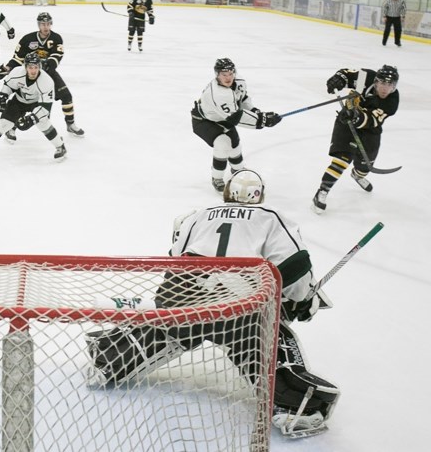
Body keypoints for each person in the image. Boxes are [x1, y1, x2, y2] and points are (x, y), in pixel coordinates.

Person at [87, 169, 339, 437]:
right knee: (267, 331)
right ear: (259, 194)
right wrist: (302, 300)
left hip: (183, 295)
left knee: (171, 325)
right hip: (236, 309)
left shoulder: (197, 215)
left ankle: (109, 357)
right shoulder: (270, 216)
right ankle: (294, 404)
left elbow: (175, 257)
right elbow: (295, 269)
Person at [312, 65, 400, 214]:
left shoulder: (391, 101)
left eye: (390, 85)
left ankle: (357, 175)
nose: (386, 88)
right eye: (383, 83)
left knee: (365, 166)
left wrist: (356, 116)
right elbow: (345, 73)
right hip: (346, 123)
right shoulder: (365, 76)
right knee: (342, 159)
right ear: (376, 81)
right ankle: (322, 192)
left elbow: (372, 120)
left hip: (370, 130)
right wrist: (338, 80)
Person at [191, 58, 281, 192]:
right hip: (204, 121)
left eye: (230, 74)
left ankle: (237, 170)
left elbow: (242, 98)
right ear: (217, 75)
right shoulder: (218, 94)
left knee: (235, 146)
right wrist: (263, 120)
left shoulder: (239, 82)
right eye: (224, 74)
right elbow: (236, 118)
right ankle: (217, 177)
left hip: (223, 119)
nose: (228, 78)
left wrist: (255, 111)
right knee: (222, 144)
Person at [0, 11, 84, 139]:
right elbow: (18, 59)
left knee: (66, 96)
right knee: (20, 101)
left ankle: (70, 124)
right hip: (29, 75)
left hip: (48, 75)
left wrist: (48, 64)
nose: (45, 27)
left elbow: (57, 56)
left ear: (51, 24)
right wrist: (6, 69)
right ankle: (11, 128)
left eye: (48, 24)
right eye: (42, 24)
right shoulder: (27, 39)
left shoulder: (56, 38)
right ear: (38, 25)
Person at [0, 52, 66, 161]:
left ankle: (60, 146)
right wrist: (3, 97)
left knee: (43, 122)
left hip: (37, 104)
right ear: (25, 67)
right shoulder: (17, 72)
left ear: (39, 66)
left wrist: (32, 119)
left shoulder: (47, 81)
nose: (33, 71)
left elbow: (45, 107)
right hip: (19, 100)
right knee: (4, 123)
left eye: (36, 67)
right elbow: (8, 86)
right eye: (30, 67)